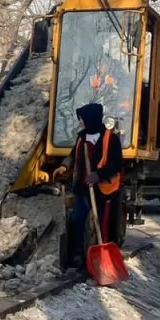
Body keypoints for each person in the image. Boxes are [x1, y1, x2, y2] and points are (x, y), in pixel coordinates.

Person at [60, 102, 124, 268]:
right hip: (82, 188)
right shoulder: (81, 137)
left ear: (91, 119)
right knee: (77, 220)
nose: (80, 122)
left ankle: (102, 258)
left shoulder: (111, 138)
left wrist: (98, 175)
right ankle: (79, 255)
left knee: (101, 224)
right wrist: (64, 166)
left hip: (103, 191)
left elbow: (116, 163)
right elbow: (73, 155)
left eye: (82, 119)